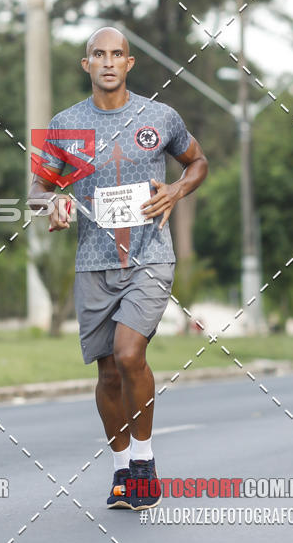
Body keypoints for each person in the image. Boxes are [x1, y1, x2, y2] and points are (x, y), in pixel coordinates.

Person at [29, 27, 208, 511]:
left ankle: (146, 463)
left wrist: (176, 190)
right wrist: (54, 204)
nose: (108, 62)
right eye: (98, 55)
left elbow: (197, 162)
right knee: (108, 374)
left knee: (130, 355)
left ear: (129, 64)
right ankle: (122, 470)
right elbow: (38, 189)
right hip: (93, 262)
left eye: (117, 55)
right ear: (86, 64)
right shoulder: (66, 124)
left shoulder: (158, 116)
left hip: (150, 255)